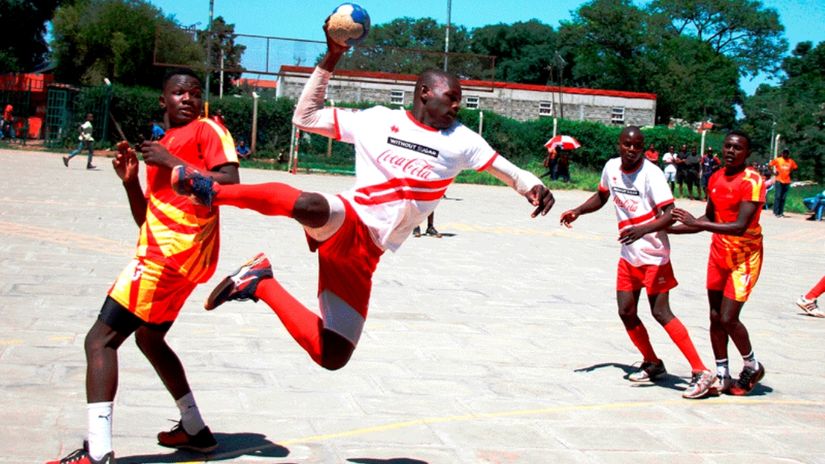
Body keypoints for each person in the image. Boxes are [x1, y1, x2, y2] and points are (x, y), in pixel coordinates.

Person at [169, 19, 554, 373]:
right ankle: (213, 191)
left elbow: (503, 166)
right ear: (423, 93)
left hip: (366, 254)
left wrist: (531, 186)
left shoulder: (462, 141)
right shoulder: (376, 119)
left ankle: (258, 282)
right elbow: (304, 118)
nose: (456, 105)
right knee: (312, 205)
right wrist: (332, 56)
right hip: (350, 217)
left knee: (333, 354)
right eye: (451, 96)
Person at [47, 68, 240, 464]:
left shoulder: (206, 130)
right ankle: (196, 430)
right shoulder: (162, 144)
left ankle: (98, 453)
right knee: (149, 338)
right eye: (178, 92)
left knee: (99, 341)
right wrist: (130, 181)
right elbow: (148, 217)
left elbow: (230, 185)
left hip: (170, 255)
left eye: (193, 93)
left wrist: (171, 162)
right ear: (162, 100)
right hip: (173, 253)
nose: (186, 98)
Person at [560, 126, 715, 399]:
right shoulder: (611, 168)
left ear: (643, 148)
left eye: (637, 146)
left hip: (654, 255)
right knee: (626, 311)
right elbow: (602, 196)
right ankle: (652, 362)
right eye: (627, 145)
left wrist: (642, 230)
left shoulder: (652, 174)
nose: (632, 150)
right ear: (619, 145)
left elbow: (671, 214)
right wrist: (578, 211)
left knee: (660, 313)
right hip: (629, 255)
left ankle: (701, 371)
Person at [670, 130, 767, 396]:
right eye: (727, 146)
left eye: (737, 148)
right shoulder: (714, 177)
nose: (731, 151)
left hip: (744, 258)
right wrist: (669, 229)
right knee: (714, 316)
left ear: (747, 153)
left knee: (728, 317)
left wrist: (696, 222)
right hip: (718, 255)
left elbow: (739, 226)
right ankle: (722, 373)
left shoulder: (753, 181)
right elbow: (708, 218)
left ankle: (752, 364)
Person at [768, 148, 798, 218]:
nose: (785, 154)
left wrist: (791, 172)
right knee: (778, 196)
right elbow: (769, 165)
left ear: (788, 154)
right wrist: (773, 173)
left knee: (783, 197)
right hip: (779, 180)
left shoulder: (791, 161)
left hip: (787, 181)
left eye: (787, 153)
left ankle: (781, 212)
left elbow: (796, 168)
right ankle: (776, 211)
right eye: (784, 153)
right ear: (782, 153)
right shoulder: (778, 160)